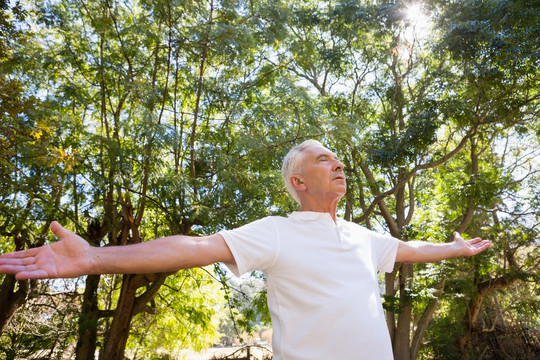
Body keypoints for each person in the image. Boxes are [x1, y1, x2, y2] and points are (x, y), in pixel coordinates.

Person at [0, 139, 491, 360]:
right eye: (325, 159)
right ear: (298, 181)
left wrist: (458, 250)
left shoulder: (364, 237)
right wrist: (96, 258)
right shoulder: (277, 230)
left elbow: (408, 248)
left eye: (339, 159)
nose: (338, 164)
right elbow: (195, 245)